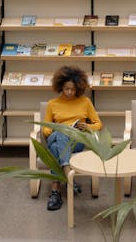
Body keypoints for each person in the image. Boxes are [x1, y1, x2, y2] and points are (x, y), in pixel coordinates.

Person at [42, 65, 102, 211]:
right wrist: (57, 129)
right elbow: (45, 128)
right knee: (62, 134)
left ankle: (56, 191)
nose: (69, 92)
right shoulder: (52, 104)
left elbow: (98, 124)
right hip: (56, 136)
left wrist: (87, 127)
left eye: (73, 89)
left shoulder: (85, 102)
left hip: (77, 141)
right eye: (66, 88)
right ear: (60, 87)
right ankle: (69, 174)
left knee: (57, 147)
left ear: (78, 88)